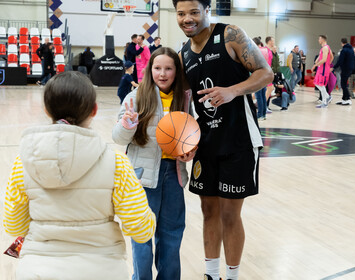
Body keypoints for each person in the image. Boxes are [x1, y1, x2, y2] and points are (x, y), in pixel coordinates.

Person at [3, 71, 156, 280]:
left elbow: (14, 225)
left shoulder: (24, 163)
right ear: (94, 110)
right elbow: (141, 230)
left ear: (47, 110)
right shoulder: (117, 164)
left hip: (37, 271)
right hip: (103, 271)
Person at [173, 1, 273, 280]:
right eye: (181, 14)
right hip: (206, 144)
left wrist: (232, 91)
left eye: (194, 12)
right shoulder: (184, 54)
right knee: (208, 211)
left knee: (230, 213)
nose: (187, 19)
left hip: (239, 140)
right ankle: (210, 274)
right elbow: (182, 98)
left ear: (207, 10)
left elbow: (266, 73)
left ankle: (232, 276)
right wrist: (183, 142)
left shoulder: (230, 35)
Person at [112, 47, 193, 280]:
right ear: (150, 70)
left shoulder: (184, 98)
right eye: (158, 68)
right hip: (143, 177)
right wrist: (127, 124)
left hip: (174, 175)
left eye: (169, 68)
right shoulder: (134, 98)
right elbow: (118, 138)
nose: (163, 73)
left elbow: (192, 135)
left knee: (172, 233)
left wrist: (190, 152)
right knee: (142, 235)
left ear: (176, 71)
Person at [312, 35, 333, 108]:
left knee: (320, 84)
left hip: (323, 69)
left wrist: (315, 65)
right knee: (317, 83)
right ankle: (326, 98)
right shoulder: (325, 48)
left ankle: (326, 99)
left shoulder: (325, 48)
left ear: (322, 40)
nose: (318, 40)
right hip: (322, 68)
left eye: (319, 39)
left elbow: (324, 59)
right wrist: (317, 60)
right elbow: (331, 57)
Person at [333, 38, 354, 105]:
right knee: (344, 83)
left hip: (345, 69)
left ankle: (348, 98)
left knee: (343, 84)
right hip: (350, 69)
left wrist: (334, 67)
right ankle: (344, 99)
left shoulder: (344, 50)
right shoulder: (351, 50)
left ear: (342, 43)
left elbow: (340, 61)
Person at [253, 37, 269, 120]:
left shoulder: (256, 51)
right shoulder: (265, 50)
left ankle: (260, 115)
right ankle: (264, 114)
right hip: (265, 75)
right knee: (263, 96)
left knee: (259, 97)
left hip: (258, 76)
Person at [264, 36, 275, 114]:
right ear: (269, 41)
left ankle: (263, 106)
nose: (273, 43)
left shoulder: (269, 51)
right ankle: (263, 107)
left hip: (268, 72)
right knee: (270, 88)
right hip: (265, 73)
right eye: (273, 41)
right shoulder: (265, 50)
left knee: (270, 88)